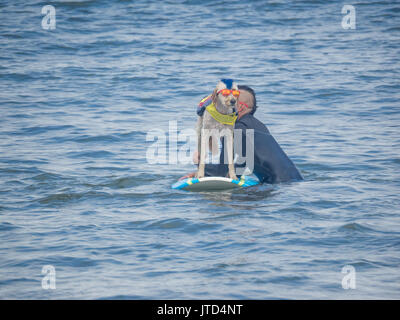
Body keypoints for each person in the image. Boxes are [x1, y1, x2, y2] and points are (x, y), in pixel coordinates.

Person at [180, 85, 303, 183]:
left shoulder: (236, 129)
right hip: (291, 183)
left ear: (240, 108)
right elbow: (238, 168)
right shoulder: (257, 126)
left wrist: (198, 164)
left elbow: (223, 172)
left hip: (279, 185)